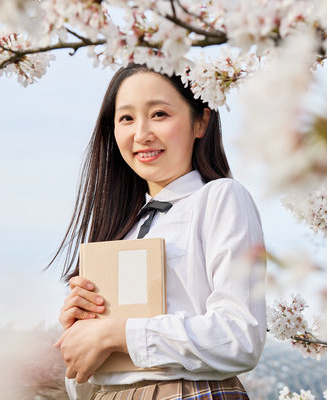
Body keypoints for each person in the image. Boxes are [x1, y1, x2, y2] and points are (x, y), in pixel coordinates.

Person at [50, 63, 267, 400]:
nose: (141, 134)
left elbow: (240, 337)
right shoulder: (122, 231)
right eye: (126, 119)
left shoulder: (220, 197)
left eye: (159, 114)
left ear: (201, 122)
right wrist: (81, 337)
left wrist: (116, 332)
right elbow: (91, 384)